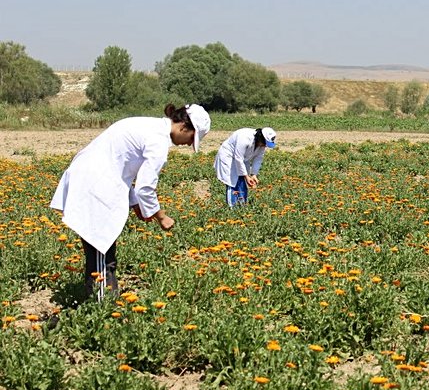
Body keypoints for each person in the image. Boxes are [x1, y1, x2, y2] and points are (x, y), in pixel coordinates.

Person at [50, 103, 211, 300]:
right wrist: (161, 217)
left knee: (99, 251)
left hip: (91, 178)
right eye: (191, 139)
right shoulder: (158, 142)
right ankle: (102, 306)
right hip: (95, 184)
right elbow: (145, 187)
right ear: (184, 127)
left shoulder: (145, 125)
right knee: (102, 251)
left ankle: (96, 302)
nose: (188, 144)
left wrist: (135, 205)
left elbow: (122, 167)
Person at [214, 127, 277, 207]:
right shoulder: (244, 138)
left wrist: (254, 174)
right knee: (232, 182)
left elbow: (258, 158)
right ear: (260, 138)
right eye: (265, 143)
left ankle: (242, 206)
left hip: (243, 159)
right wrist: (247, 176)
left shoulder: (261, 145)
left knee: (241, 181)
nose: (265, 146)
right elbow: (238, 158)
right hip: (229, 157)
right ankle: (231, 207)